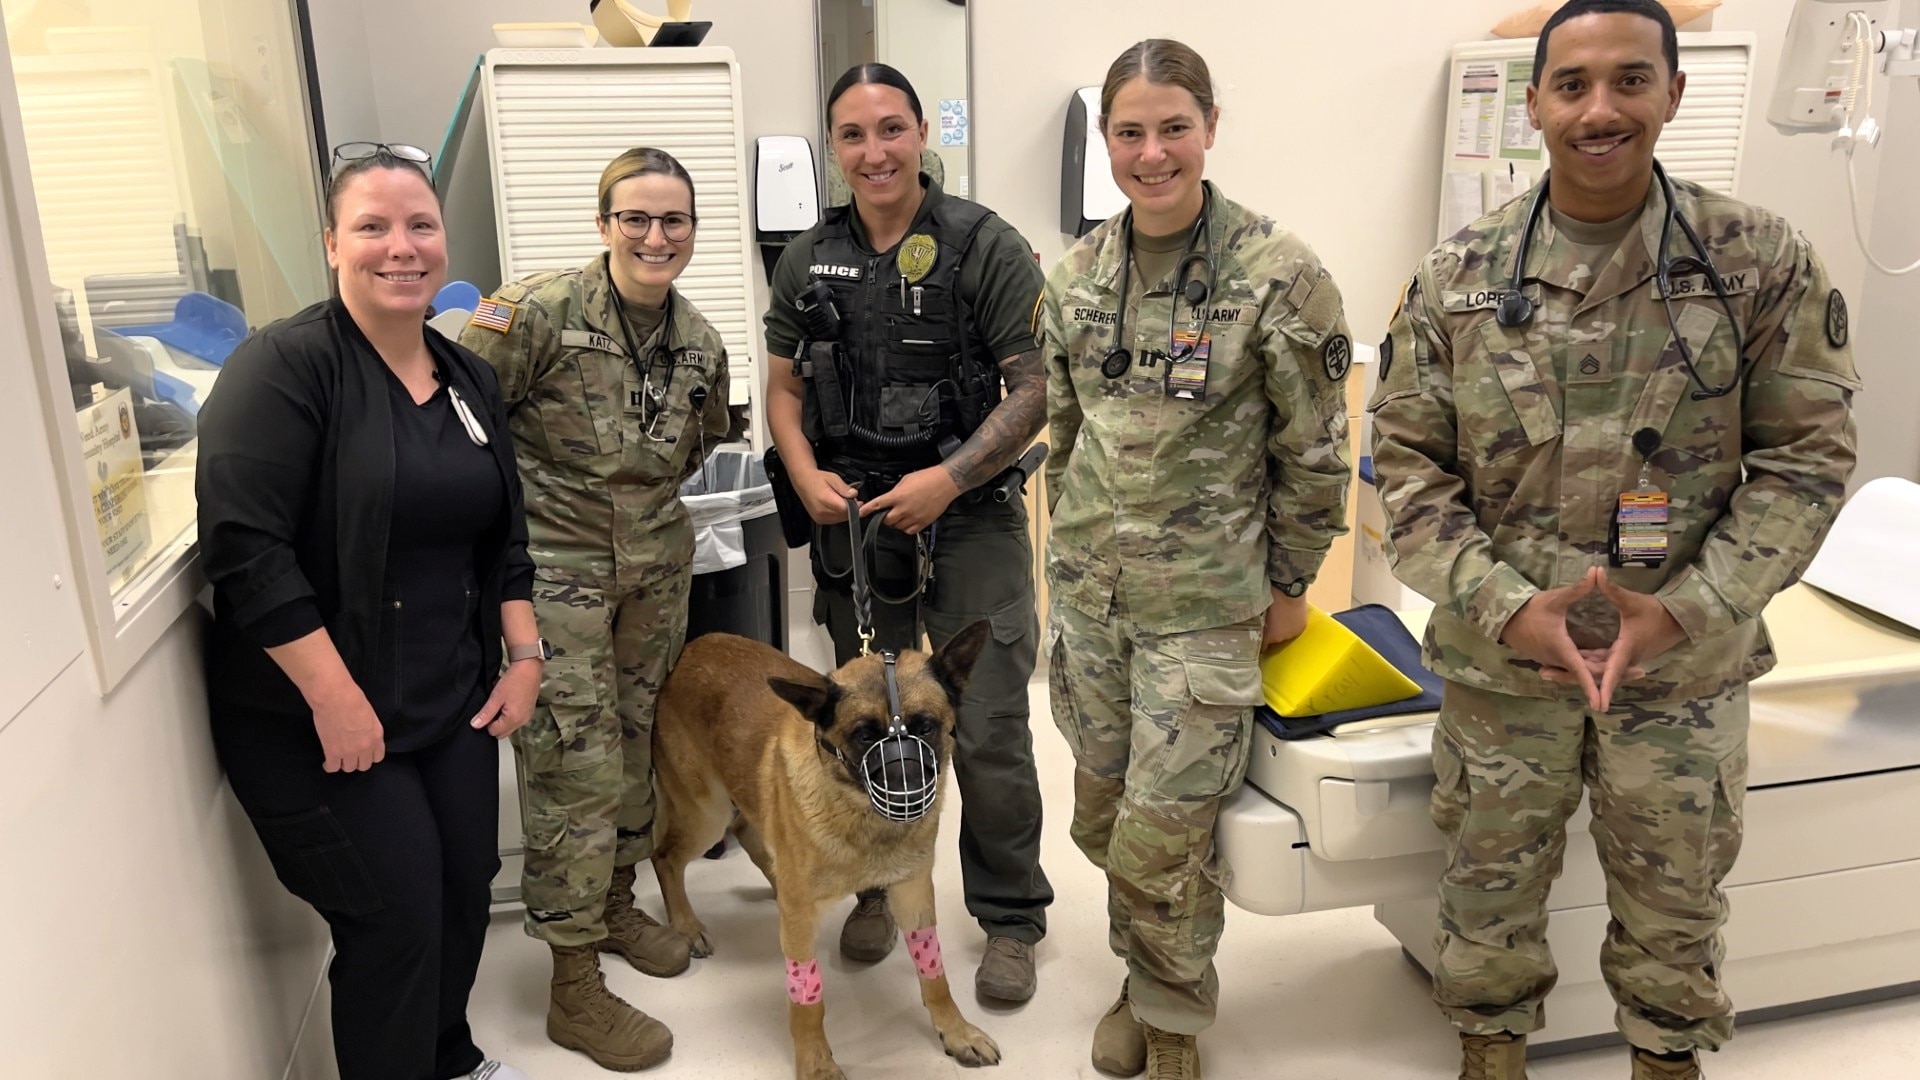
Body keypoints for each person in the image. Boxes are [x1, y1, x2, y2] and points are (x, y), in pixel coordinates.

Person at [1369, 3, 1861, 1078]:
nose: (1601, 109)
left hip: (1683, 662)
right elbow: (1408, 474)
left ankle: (1666, 1059)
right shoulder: (1460, 277)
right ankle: (1489, 1054)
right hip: (1507, 664)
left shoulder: (1758, 262)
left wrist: (1686, 606)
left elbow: (1806, 462)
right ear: (1535, 102)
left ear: (1672, 94)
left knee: (1677, 899)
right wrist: (1508, 605)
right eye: (1574, 85)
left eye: (1630, 81)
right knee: (1487, 885)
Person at [1039, 39, 1355, 1080]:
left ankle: (1173, 1024)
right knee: (1099, 817)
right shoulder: (1077, 274)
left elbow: (1314, 450)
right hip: (1092, 601)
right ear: (1107, 143)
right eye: (1130, 132)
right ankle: (1144, 968)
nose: (1152, 152)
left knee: (1160, 836)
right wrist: (1067, 563)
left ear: (1210, 128)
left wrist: (1290, 584)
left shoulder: (1279, 275)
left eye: (1173, 126)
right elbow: (1067, 431)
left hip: (1207, 608)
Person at [197, 143, 538, 1080]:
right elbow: (247, 553)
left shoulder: (471, 381)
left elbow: (504, 539)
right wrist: (334, 700)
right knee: (395, 919)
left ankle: (448, 1058)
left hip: (450, 698)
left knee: (465, 891)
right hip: (319, 718)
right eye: (373, 227)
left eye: (420, 225)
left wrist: (524, 658)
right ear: (333, 245)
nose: (402, 247)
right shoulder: (285, 371)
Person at [762, 62, 1054, 1003]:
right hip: (858, 527)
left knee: (995, 726)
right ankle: (879, 884)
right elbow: (783, 386)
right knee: (867, 720)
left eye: (891, 129)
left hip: (967, 520)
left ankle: (1009, 915)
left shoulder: (983, 247)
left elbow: (1034, 389)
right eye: (852, 134)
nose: (874, 150)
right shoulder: (808, 257)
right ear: (835, 147)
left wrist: (952, 477)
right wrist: (802, 470)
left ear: (922, 132)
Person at [460, 146, 731, 1072]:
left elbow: (699, 445)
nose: (657, 237)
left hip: (654, 579)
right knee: (573, 763)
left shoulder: (699, 340)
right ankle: (571, 984)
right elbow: (459, 423)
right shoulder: (533, 314)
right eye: (637, 219)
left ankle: (614, 905)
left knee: (636, 742)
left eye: (675, 221)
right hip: (556, 577)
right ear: (604, 222)